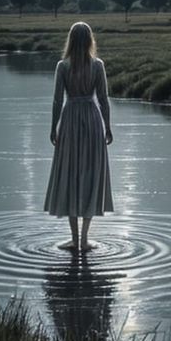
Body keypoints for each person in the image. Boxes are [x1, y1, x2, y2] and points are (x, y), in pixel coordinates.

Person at [43, 20, 113, 252]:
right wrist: (107, 127)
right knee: (90, 175)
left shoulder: (63, 66)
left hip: (70, 119)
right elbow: (103, 99)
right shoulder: (97, 66)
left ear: (71, 40)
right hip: (92, 120)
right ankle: (84, 239)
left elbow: (57, 101)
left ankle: (75, 238)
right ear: (90, 40)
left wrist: (53, 127)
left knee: (70, 174)